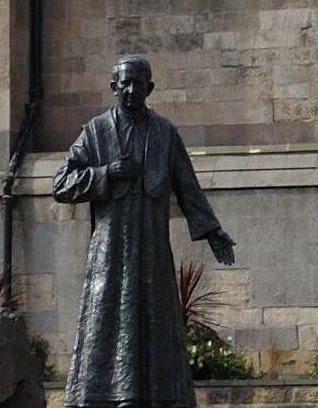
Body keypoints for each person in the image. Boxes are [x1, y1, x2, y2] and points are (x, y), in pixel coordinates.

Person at [52, 54, 234, 408]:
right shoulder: (95, 132)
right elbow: (61, 184)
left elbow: (188, 187)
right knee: (107, 317)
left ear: (150, 88)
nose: (131, 90)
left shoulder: (165, 133)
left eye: (139, 83)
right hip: (109, 252)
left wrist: (212, 231)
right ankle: (101, 396)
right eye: (125, 83)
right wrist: (106, 174)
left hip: (151, 250)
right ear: (113, 86)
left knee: (154, 321)